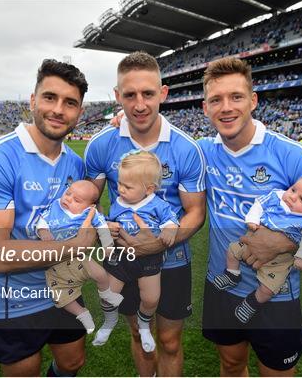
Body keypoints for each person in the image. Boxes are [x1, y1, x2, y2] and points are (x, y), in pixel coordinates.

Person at [198, 57, 302, 376]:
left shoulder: (292, 154)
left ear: (253, 100)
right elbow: (154, 148)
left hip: (277, 295)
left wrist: (284, 242)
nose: (226, 107)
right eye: (216, 99)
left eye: (236, 96)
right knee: (230, 363)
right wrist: (125, 124)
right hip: (220, 286)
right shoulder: (200, 151)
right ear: (205, 107)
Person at [0, 59, 98, 376]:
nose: (58, 109)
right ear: (33, 100)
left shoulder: (75, 165)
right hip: (13, 301)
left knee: (72, 362)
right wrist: (77, 245)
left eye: (70, 103)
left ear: (79, 113)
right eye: (50, 97)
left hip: (63, 289)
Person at [85, 51, 206, 376]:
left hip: (174, 261)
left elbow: (196, 212)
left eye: (148, 93)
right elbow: (90, 200)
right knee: (139, 332)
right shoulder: (101, 145)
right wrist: (103, 229)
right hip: (124, 260)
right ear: (117, 96)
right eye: (130, 94)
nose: (139, 104)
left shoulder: (184, 148)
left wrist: (161, 242)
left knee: (168, 340)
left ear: (163, 93)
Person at [213, 176, 302, 324]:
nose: (292, 197)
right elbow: (259, 204)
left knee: (269, 289)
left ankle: (252, 302)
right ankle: (232, 274)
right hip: (251, 241)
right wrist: (252, 218)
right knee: (232, 250)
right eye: (293, 189)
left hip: (280, 260)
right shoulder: (276, 198)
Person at [92, 151, 179, 353]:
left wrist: (169, 230)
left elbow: (171, 221)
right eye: (120, 183)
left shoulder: (157, 205)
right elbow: (108, 224)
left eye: (128, 186)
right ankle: (109, 320)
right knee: (107, 295)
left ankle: (144, 324)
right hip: (121, 258)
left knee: (151, 299)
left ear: (149, 189)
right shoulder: (118, 203)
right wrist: (109, 227)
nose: (120, 189)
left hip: (149, 260)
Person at [36, 180, 124, 334]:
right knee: (61, 296)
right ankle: (82, 314)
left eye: (76, 200)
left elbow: (102, 227)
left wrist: (108, 246)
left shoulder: (89, 213)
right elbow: (42, 220)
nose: (68, 199)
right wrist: (43, 231)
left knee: (101, 274)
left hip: (78, 257)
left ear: (89, 206)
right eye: (68, 193)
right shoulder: (56, 206)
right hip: (55, 263)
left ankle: (106, 293)